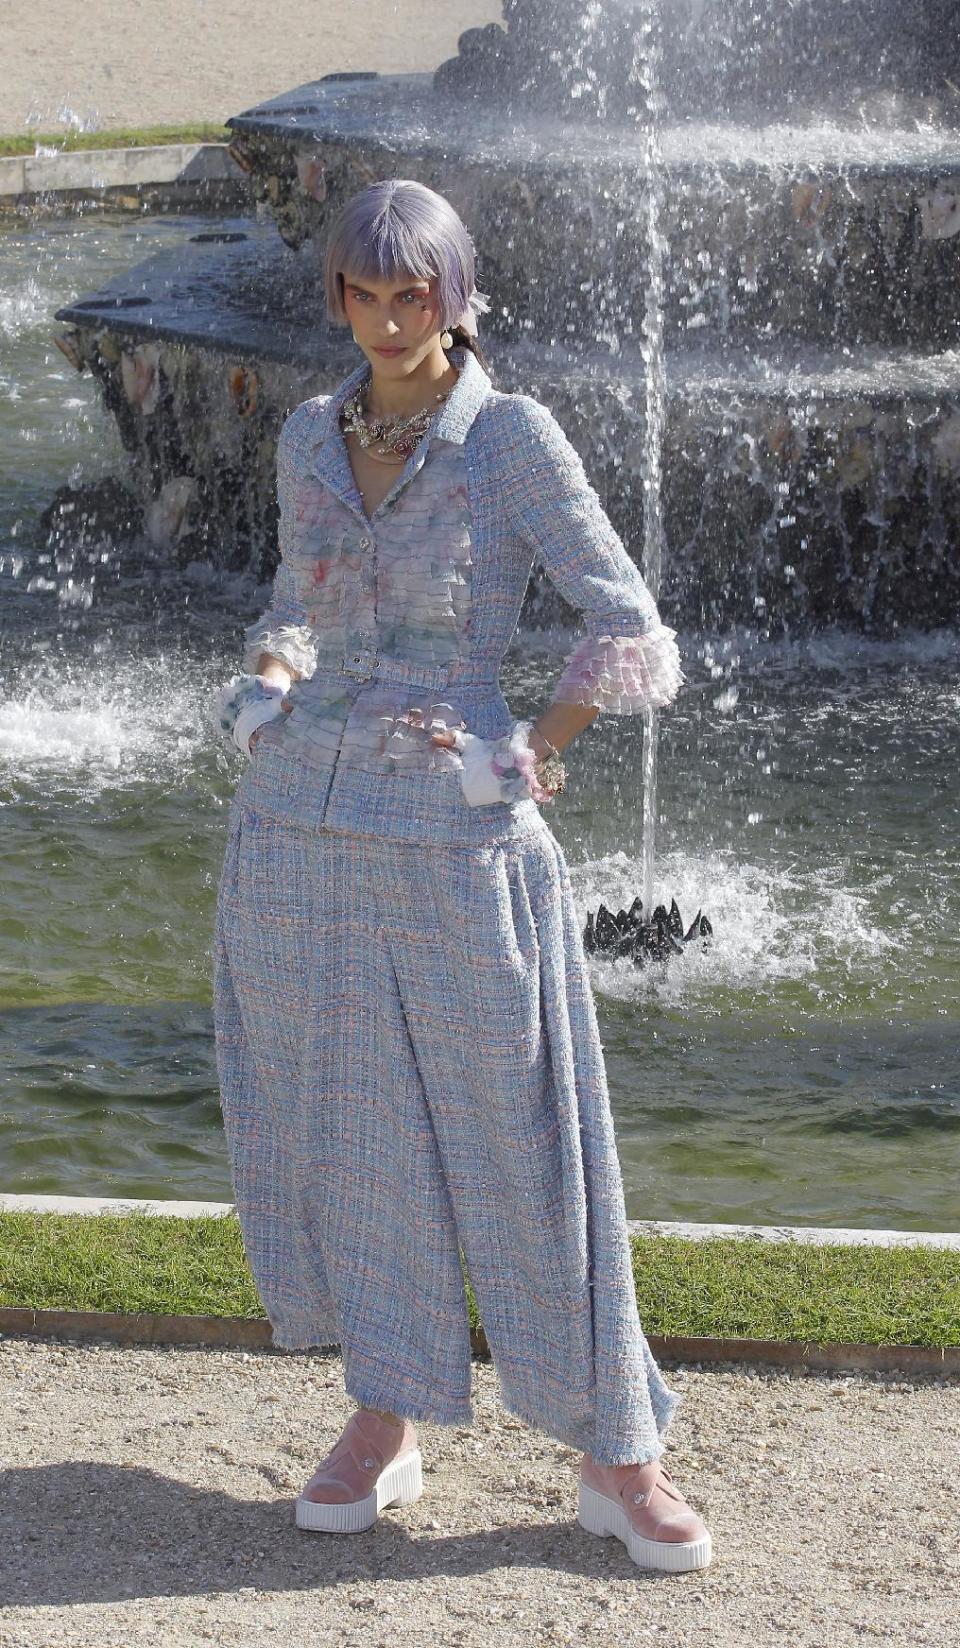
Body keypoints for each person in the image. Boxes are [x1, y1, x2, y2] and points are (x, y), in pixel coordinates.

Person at [212, 178, 712, 1574]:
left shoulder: (511, 442)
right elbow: (294, 608)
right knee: (352, 1138)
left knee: (526, 1148)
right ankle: (389, 1412)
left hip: (459, 845)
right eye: (362, 296)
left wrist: (532, 751)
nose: (385, 320)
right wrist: (266, 681)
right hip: (297, 837)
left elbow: (625, 626)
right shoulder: (312, 436)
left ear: (453, 296)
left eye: (409, 295)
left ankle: (619, 1452)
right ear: (338, 302)